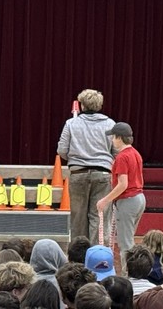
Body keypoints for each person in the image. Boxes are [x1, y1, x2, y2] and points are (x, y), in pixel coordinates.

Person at [57, 88, 115, 242]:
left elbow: (62, 150)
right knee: (99, 217)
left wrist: (76, 156)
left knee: (78, 219)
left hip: (78, 174)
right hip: (103, 174)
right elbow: (116, 151)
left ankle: (79, 258)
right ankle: (97, 257)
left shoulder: (71, 124)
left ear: (82, 105)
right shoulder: (110, 124)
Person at [96, 123, 146, 262]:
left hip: (128, 201)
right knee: (129, 239)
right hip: (139, 198)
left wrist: (104, 200)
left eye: (113, 137)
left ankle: (128, 277)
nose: (112, 140)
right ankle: (133, 273)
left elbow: (122, 184)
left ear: (119, 138)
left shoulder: (122, 157)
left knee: (125, 244)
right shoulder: (136, 153)